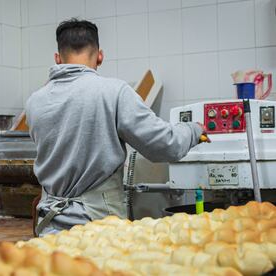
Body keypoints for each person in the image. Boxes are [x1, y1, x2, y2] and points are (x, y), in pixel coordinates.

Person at [25, 18, 209, 237]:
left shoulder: (35, 101)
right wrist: (193, 130)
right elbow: (164, 145)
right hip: (99, 229)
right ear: (100, 56)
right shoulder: (113, 92)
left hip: (49, 228)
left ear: (58, 58)